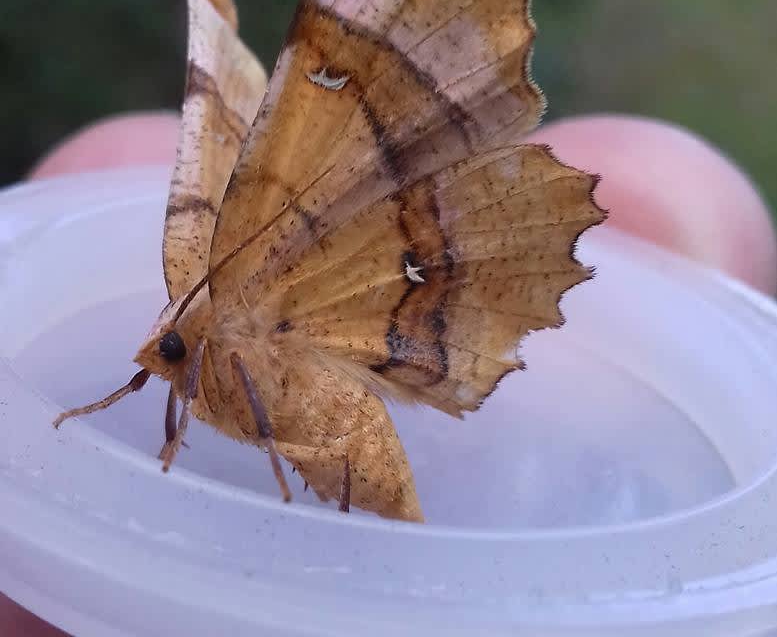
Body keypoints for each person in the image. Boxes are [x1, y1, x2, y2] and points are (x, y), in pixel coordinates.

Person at [3, 110, 776, 636]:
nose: (152, 361)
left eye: (164, 354)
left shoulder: (230, 319)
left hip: (352, 417)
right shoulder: (203, 331)